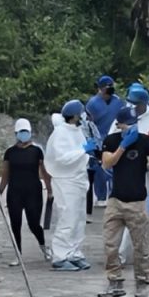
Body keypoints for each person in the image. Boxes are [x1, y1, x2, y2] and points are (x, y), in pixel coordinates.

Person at [98, 108, 149, 297]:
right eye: (127, 124)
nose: (131, 127)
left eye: (134, 123)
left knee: (141, 247)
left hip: (137, 201)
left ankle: (142, 284)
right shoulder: (112, 140)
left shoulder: (146, 141)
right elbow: (107, 163)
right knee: (110, 245)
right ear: (119, 124)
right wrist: (123, 146)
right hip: (116, 200)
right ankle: (115, 281)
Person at [45, 100, 97, 271]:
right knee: (67, 218)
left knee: (79, 219)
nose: (84, 116)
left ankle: (73, 252)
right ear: (75, 115)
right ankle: (60, 256)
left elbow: (79, 153)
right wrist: (83, 151)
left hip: (78, 178)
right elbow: (62, 158)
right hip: (65, 180)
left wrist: (88, 157)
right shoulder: (60, 133)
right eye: (81, 113)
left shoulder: (77, 131)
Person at [0, 118, 52, 264]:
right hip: (15, 192)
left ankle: (43, 246)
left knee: (34, 224)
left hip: (33, 192)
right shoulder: (10, 152)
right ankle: (18, 254)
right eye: (21, 132)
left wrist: (50, 190)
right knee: (15, 223)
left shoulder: (36, 151)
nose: (23, 134)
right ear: (16, 134)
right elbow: (5, 175)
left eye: (25, 132)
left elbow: (44, 172)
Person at [86, 76, 123, 207]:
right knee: (99, 169)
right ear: (100, 88)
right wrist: (91, 143)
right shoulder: (92, 104)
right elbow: (88, 125)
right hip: (98, 140)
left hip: (115, 139)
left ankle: (114, 195)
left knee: (115, 168)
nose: (110, 89)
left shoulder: (118, 102)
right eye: (107, 87)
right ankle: (100, 196)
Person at [80, 109, 103, 220]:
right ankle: (86, 213)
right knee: (87, 186)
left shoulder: (89, 125)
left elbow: (97, 142)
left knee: (87, 186)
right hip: (87, 159)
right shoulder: (90, 125)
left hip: (88, 159)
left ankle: (86, 212)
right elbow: (98, 141)